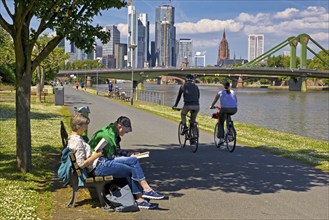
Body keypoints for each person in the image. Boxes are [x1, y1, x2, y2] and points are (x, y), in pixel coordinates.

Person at [88, 116, 164, 209]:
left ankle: (142, 195)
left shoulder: (112, 132)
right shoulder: (107, 136)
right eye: (125, 131)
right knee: (133, 166)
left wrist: (128, 154)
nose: (125, 134)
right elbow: (111, 155)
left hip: (103, 162)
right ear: (120, 127)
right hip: (100, 164)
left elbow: (116, 151)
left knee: (133, 162)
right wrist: (127, 157)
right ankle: (142, 195)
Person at [209, 81, 238, 145]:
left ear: (223, 86)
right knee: (228, 116)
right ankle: (230, 130)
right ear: (229, 86)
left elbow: (215, 100)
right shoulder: (233, 92)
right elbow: (235, 100)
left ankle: (221, 138)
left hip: (224, 109)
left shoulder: (220, 92)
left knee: (220, 122)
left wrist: (211, 106)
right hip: (234, 109)